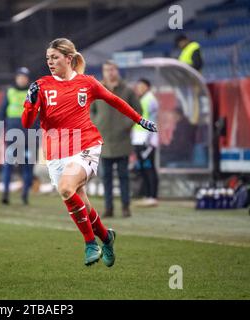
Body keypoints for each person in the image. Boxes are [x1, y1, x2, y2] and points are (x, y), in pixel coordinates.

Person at [22, 38, 157, 267]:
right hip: (56, 152)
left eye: (54, 57)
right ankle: (106, 237)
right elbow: (27, 123)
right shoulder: (42, 85)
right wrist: (30, 100)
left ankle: (89, 244)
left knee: (66, 188)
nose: (50, 62)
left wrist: (139, 119)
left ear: (68, 58)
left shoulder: (88, 83)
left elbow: (115, 101)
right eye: (48, 58)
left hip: (86, 144)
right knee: (78, 200)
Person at [91, 60, 142, 218]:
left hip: (122, 140)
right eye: (107, 70)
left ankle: (126, 207)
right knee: (106, 177)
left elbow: (137, 110)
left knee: (123, 176)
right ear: (103, 71)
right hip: (104, 141)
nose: (110, 72)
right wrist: (96, 124)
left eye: (112, 69)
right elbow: (89, 110)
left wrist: (126, 126)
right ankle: (108, 208)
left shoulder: (127, 90)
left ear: (117, 71)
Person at [0, 67, 35, 205]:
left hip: (29, 137)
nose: (22, 79)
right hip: (12, 136)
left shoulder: (34, 93)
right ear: (16, 78)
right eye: (20, 76)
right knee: (8, 166)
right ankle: (5, 193)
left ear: (27, 79)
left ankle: (25, 194)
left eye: (24, 77)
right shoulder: (9, 92)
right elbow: (1, 113)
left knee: (28, 167)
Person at [132, 78, 159, 207]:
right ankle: (147, 195)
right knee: (143, 168)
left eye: (141, 86)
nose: (139, 88)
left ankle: (153, 196)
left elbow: (153, 120)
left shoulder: (151, 100)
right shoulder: (141, 100)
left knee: (149, 168)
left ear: (147, 87)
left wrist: (149, 140)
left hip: (146, 140)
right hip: (138, 139)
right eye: (138, 86)